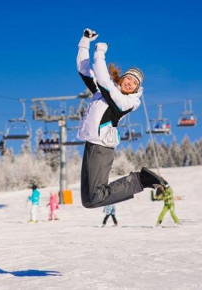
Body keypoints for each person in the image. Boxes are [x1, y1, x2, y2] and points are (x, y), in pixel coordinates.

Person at [76, 28, 166, 209]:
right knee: (88, 201)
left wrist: (100, 54)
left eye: (134, 83)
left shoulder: (126, 102)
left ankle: (141, 180)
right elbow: (84, 70)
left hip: (102, 145)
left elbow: (103, 81)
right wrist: (85, 42)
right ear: (123, 78)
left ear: (136, 89)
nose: (130, 83)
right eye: (129, 78)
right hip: (91, 143)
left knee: (96, 196)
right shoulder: (104, 92)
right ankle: (140, 180)